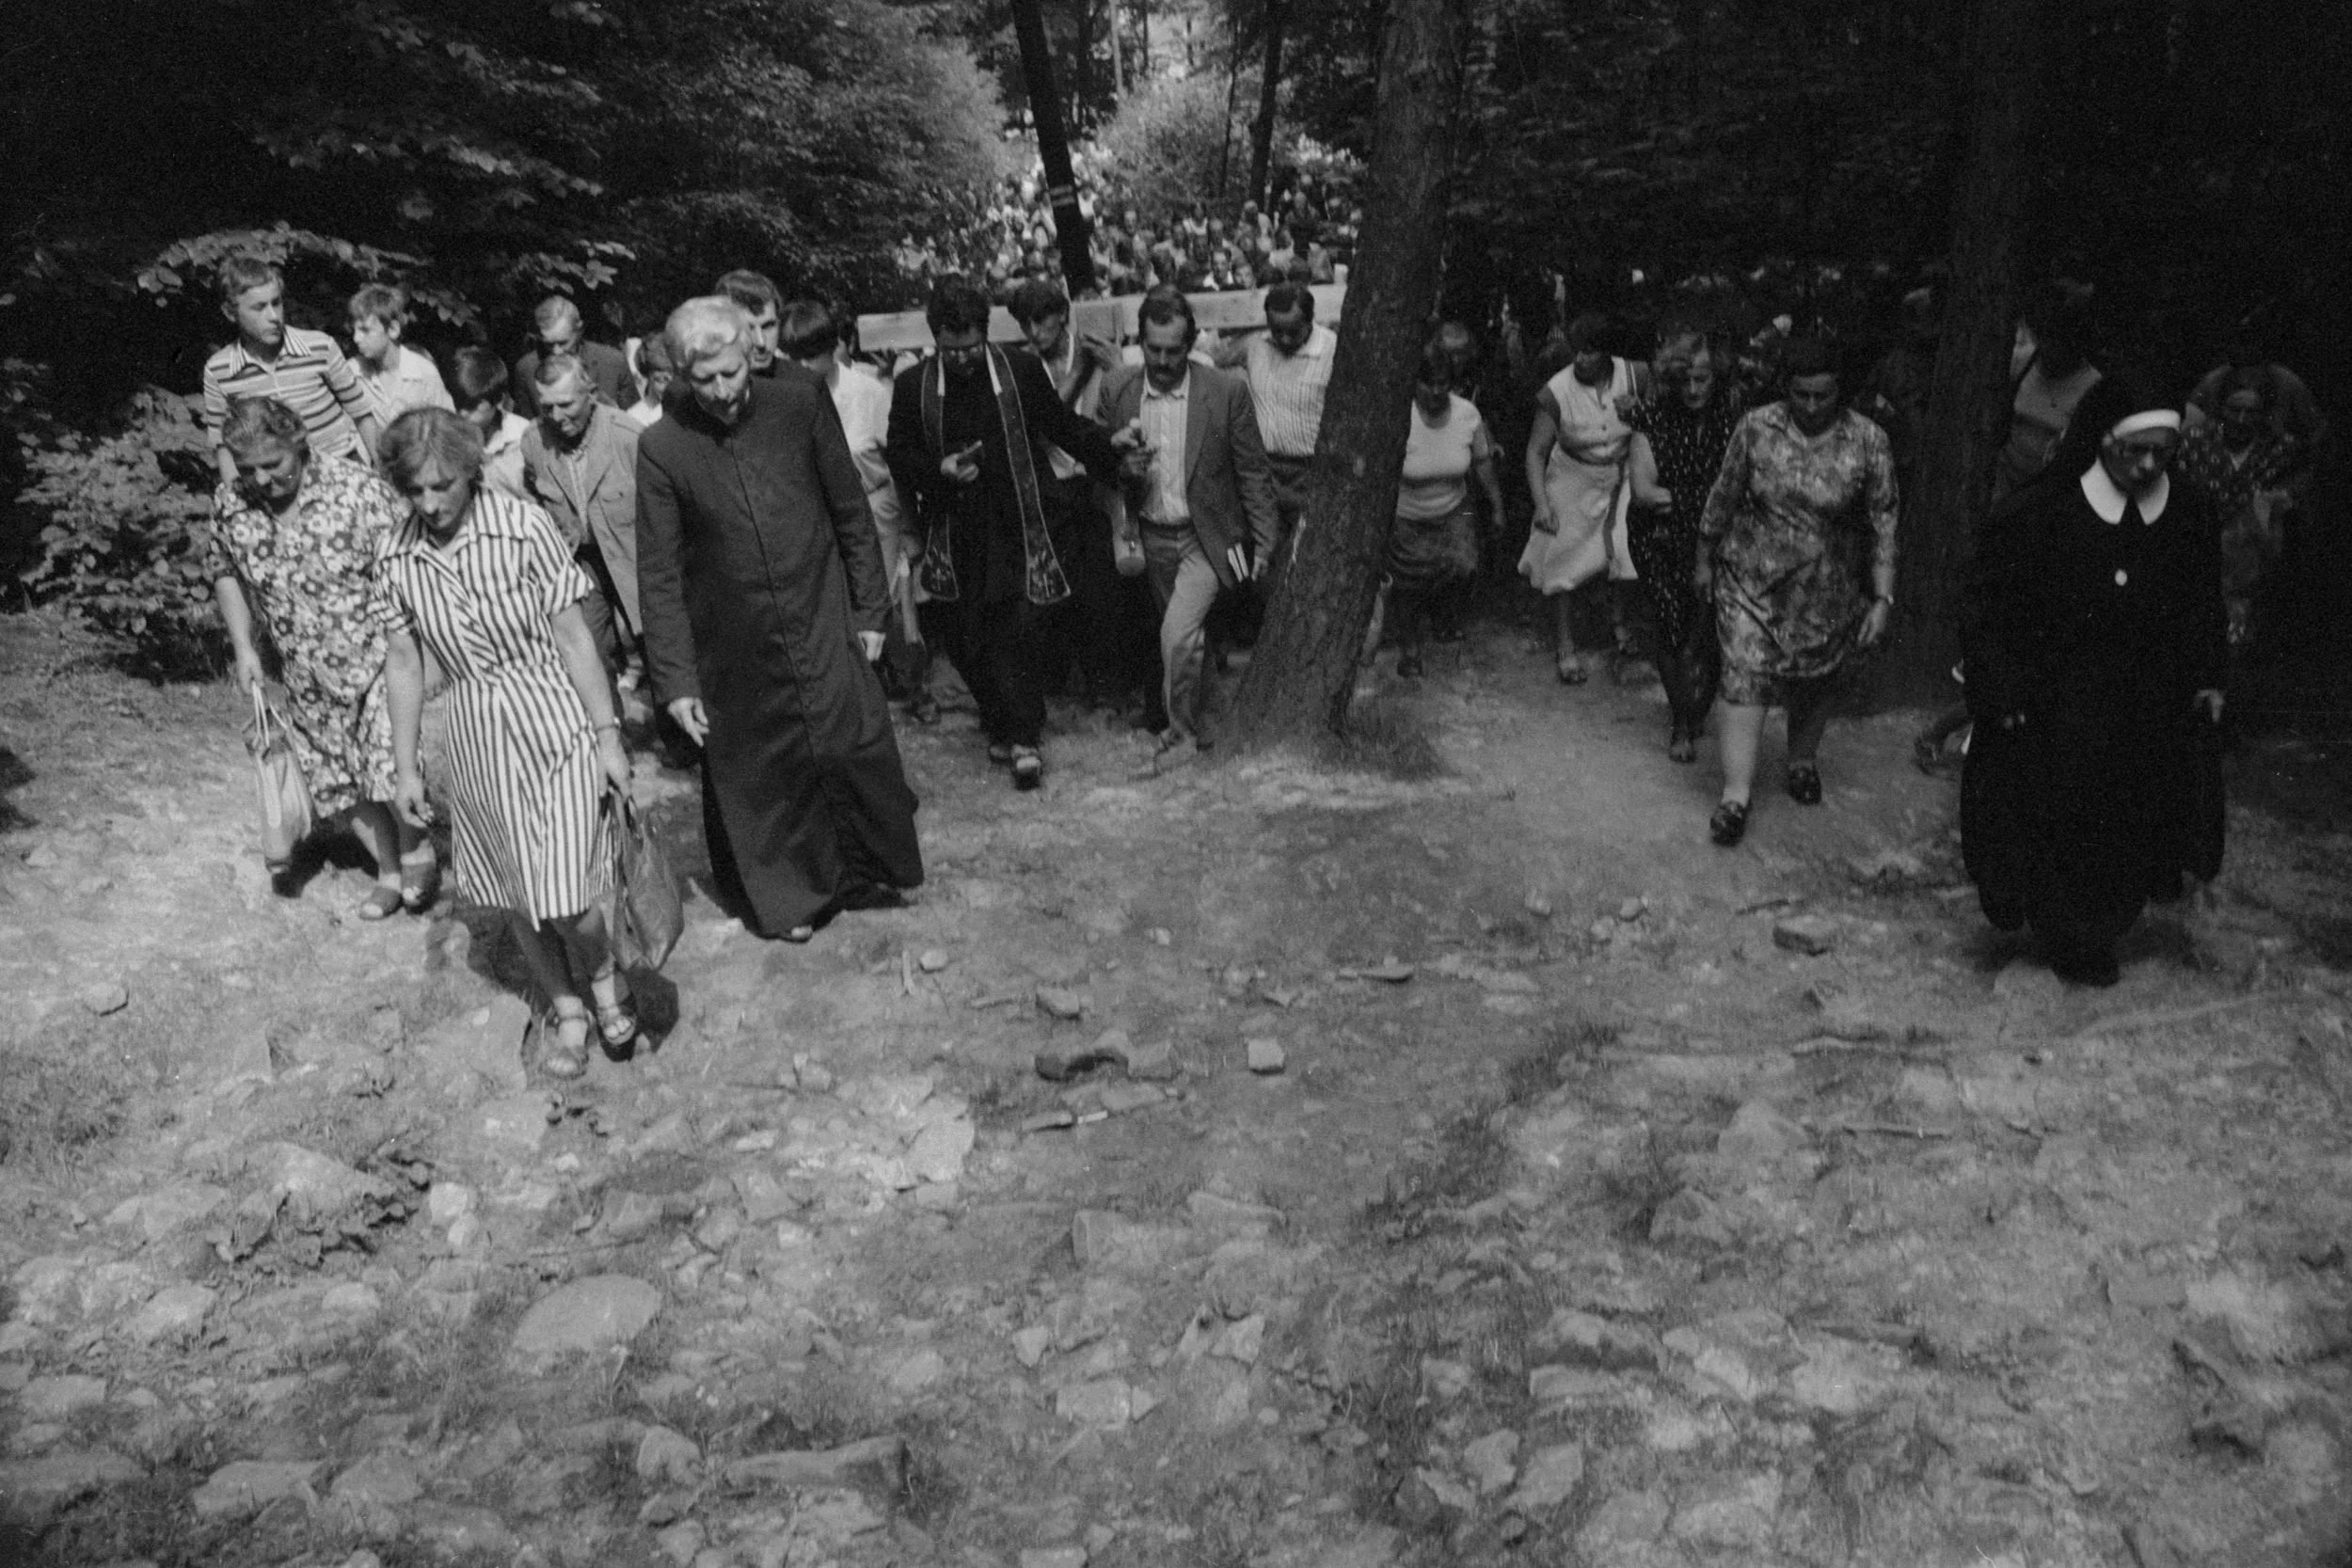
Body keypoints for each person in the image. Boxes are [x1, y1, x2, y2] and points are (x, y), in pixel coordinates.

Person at [637, 296, 924, 938]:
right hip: (733, 640)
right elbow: (657, 573)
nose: (721, 392)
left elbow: (850, 508)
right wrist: (677, 681)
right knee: (767, 774)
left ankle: (863, 870)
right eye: (704, 379)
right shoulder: (663, 447)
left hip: (818, 606)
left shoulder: (796, 406)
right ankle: (794, 898)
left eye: (732, 373)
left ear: (750, 357)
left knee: (849, 740)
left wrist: (870, 608)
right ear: (683, 375)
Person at [373, 409, 637, 1078]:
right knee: (517, 889)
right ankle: (567, 1007)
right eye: (415, 490)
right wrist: (405, 767)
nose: (430, 503)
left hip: (554, 715)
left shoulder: (523, 526)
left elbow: (575, 636)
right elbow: (404, 663)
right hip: (476, 729)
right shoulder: (396, 554)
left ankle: (605, 974)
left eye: (443, 486)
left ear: (470, 471)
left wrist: (608, 735)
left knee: (571, 889)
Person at [1960, 378, 2226, 987]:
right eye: (2137, 451)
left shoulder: (2186, 512)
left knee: (2128, 813)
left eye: (2164, 452)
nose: (2151, 464)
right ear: (2102, 441)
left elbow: (2203, 602)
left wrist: (2209, 676)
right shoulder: (2041, 512)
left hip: (2146, 701)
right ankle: (2064, 927)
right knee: (2059, 811)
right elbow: (1986, 606)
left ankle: (2099, 927)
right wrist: (1999, 686)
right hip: (2057, 700)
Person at [884, 277, 1128, 789]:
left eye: (971, 346)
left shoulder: (1018, 370)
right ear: (935, 341)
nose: (964, 359)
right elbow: (901, 456)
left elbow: (1062, 427)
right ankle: (999, 718)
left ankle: (1024, 737)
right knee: (966, 637)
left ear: (984, 333)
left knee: (1017, 629)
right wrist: (941, 468)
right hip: (955, 533)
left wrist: (1113, 447)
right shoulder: (913, 388)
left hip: (1022, 524)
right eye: (951, 351)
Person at [207, 397, 431, 913]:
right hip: (302, 669)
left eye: (273, 464)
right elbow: (224, 570)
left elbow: (412, 566)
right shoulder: (230, 503)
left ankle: (417, 848)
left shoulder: (357, 490)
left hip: (379, 655)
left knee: (386, 763)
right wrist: (244, 647)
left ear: (299, 442)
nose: (262, 480)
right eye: (248, 470)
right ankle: (389, 873)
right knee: (340, 780)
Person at [1695, 338, 1899, 847]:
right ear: (1786, 388)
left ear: (1840, 392)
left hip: (1825, 589)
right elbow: (1723, 494)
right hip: (1750, 579)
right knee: (1743, 672)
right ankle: (1735, 796)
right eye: (1800, 394)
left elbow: (1884, 522)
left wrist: (1882, 598)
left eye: (1821, 396)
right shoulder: (1757, 427)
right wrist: (1703, 558)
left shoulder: (1868, 441)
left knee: (1815, 677)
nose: (1809, 406)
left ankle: (1802, 759)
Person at [1099, 289, 1281, 755]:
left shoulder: (1225, 391)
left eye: (1173, 349)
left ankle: (1178, 736)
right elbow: (1100, 467)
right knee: (1184, 641)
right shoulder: (1117, 388)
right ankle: (1216, 728)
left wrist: (1262, 545)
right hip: (1150, 538)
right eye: (1152, 348)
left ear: (1192, 343)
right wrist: (1123, 468)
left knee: (1177, 637)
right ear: (1140, 342)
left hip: (1211, 539)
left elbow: (1254, 471)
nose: (1162, 360)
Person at [1008, 277, 1152, 717]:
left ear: (1062, 316)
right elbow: (1042, 421)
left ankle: (1110, 685)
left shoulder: (1102, 354)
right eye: (1024, 324)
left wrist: (1113, 368)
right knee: (1058, 589)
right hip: (1049, 487)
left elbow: (1133, 411)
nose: (1034, 333)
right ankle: (1067, 680)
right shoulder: (1024, 366)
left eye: (1041, 321)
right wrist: (1075, 377)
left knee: (1104, 588)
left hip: (1098, 483)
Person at [781, 298, 926, 718]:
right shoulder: (784, 397)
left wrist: (911, 527)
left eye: (813, 355)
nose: (805, 366)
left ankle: (912, 684)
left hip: (874, 504)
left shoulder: (867, 392)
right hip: (818, 513)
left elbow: (897, 462)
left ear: (836, 348)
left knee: (885, 599)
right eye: (794, 358)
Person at [1627, 341, 1740, 762]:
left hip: (1716, 541)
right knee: (1670, 625)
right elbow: (1643, 492)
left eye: (1702, 379)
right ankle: (1680, 718)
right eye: (1684, 380)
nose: (1693, 389)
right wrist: (1708, 500)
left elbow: (1741, 489)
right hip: (1658, 538)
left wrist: (1684, 500)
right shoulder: (1651, 419)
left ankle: (1698, 709)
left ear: (1717, 378)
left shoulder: (1733, 423)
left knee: (1711, 629)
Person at [1519, 314, 1636, 685]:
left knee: (1626, 549)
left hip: (1621, 473)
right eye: (1578, 351)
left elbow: (1662, 416)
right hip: (1573, 474)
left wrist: (1641, 411)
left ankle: (1620, 626)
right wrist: (1542, 503)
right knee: (1562, 554)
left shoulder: (1634, 375)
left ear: (1607, 352)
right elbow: (1536, 453)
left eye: (1592, 351)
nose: (1583, 359)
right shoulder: (1556, 391)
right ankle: (1565, 645)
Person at [1374, 348, 1504, 678]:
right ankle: (1411, 647)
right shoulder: (1398, 414)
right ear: (1415, 383)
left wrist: (1497, 505)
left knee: (1464, 566)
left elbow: (1482, 463)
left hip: (1452, 510)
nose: (1435, 391)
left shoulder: (1467, 414)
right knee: (1408, 583)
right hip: (1407, 514)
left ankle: (1443, 617)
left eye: (1442, 383)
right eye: (1427, 383)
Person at [203, 257, 383, 485]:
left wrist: (385, 479)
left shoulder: (319, 347)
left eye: (276, 303)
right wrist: (235, 500)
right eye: (259, 307)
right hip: (276, 486)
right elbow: (224, 446)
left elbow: (362, 414)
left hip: (342, 474)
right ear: (230, 312)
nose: (273, 316)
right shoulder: (220, 370)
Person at [522, 354, 644, 685]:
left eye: (566, 405)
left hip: (634, 559)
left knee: (656, 650)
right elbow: (534, 498)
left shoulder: (628, 436)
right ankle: (611, 729)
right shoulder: (534, 441)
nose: (557, 417)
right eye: (547, 407)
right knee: (586, 651)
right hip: (580, 564)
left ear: (590, 394)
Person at [2173, 366, 2303, 655]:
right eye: (2235, 410)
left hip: (2249, 568)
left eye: (2251, 412)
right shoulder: (2194, 440)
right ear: (2221, 409)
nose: (2242, 420)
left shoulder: (2280, 449)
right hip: (2195, 555)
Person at [1992, 301, 2101, 502]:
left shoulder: (2093, 387)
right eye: (2046, 338)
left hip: (2045, 492)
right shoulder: (2020, 362)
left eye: (2060, 342)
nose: (2050, 349)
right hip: (2003, 474)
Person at [512, 296, 638, 418]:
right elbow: (526, 427)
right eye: (549, 344)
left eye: (563, 343)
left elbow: (634, 419)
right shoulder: (527, 369)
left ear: (579, 331)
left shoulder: (613, 362)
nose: (557, 351)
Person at [347, 284, 453, 421]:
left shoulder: (424, 374)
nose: (356, 338)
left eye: (365, 330)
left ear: (392, 329)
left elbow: (446, 428)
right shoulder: (352, 372)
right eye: (354, 331)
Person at [450, 347, 532, 500]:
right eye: (458, 404)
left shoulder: (523, 435)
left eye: (472, 406)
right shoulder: (452, 436)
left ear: (498, 398)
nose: (462, 414)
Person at [715, 271, 784, 376]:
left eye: (768, 326)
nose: (761, 342)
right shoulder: (690, 388)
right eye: (747, 329)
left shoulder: (804, 386)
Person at [625, 333, 675, 429]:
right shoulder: (634, 416)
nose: (667, 377)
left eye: (671, 372)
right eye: (659, 370)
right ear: (648, 373)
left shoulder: (683, 413)